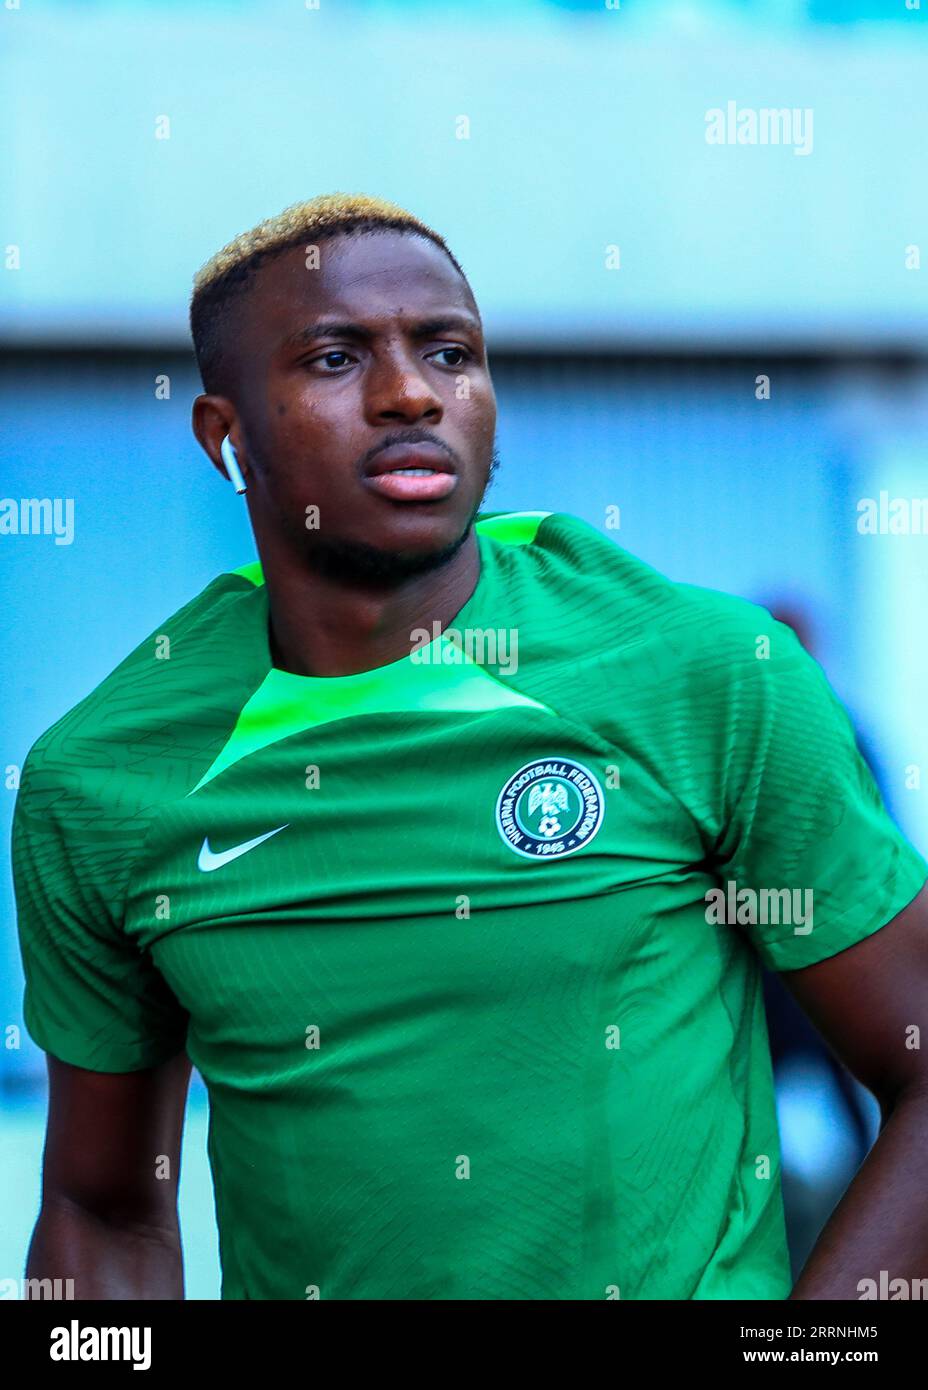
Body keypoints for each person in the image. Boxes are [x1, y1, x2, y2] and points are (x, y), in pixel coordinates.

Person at [13, 193, 928, 1301]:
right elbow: (98, 1209)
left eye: (450, 351)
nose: (410, 393)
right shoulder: (99, 781)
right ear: (226, 435)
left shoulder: (704, 673)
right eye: (337, 357)